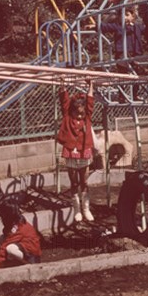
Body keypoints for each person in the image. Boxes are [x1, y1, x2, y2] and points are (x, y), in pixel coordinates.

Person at [57, 80, 95, 222]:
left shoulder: (87, 118)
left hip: (84, 151)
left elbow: (90, 102)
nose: (80, 116)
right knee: (74, 183)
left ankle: (86, 209)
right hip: (70, 152)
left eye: (82, 114)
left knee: (84, 182)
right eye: (77, 113)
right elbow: (64, 100)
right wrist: (62, 83)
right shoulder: (67, 116)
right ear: (72, 111)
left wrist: (91, 85)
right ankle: (77, 210)